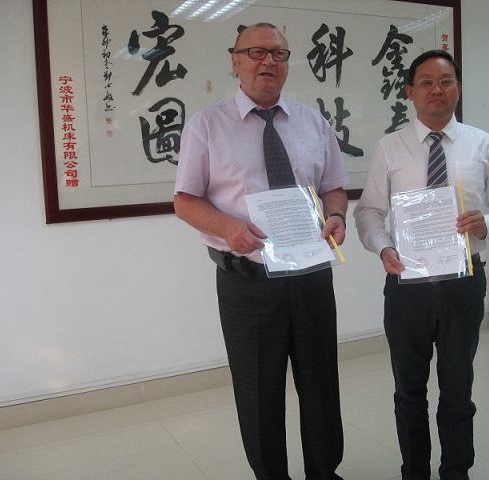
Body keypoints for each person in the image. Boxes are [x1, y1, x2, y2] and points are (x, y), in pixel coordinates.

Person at [174, 23, 349, 480]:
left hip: (311, 276)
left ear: (288, 64)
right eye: (256, 52)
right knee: (258, 393)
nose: (268, 61)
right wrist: (228, 227)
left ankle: (324, 473)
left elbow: (334, 187)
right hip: (247, 281)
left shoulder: (313, 122)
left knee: (321, 385)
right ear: (235, 61)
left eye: (278, 53)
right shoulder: (207, 125)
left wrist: (336, 216)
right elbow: (185, 200)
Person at [353, 50, 489, 480]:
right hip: (406, 284)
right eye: (426, 82)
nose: (437, 90)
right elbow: (368, 211)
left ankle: (456, 471)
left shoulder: (482, 143)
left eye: (446, 82)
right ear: (410, 92)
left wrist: (488, 223)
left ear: (458, 89)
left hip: (464, 281)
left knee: (458, 388)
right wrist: (383, 247)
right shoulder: (390, 147)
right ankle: (415, 471)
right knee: (408, 390)